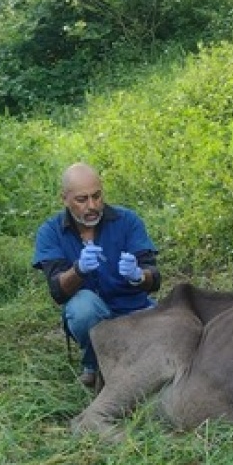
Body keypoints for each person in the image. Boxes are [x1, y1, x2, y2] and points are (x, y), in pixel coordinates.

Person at [32, 163, 161, 387]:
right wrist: (78, 270)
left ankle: (123, 362)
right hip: (93, 317)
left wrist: (139, 275)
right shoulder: (50, 232)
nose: (92, 206)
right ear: (65, 199)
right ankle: (93, 362)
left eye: (97, 196)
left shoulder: (128, 221)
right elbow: (58, 291)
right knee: (82, 308)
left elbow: (154, 277)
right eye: (82, 200)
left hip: (134, 311)